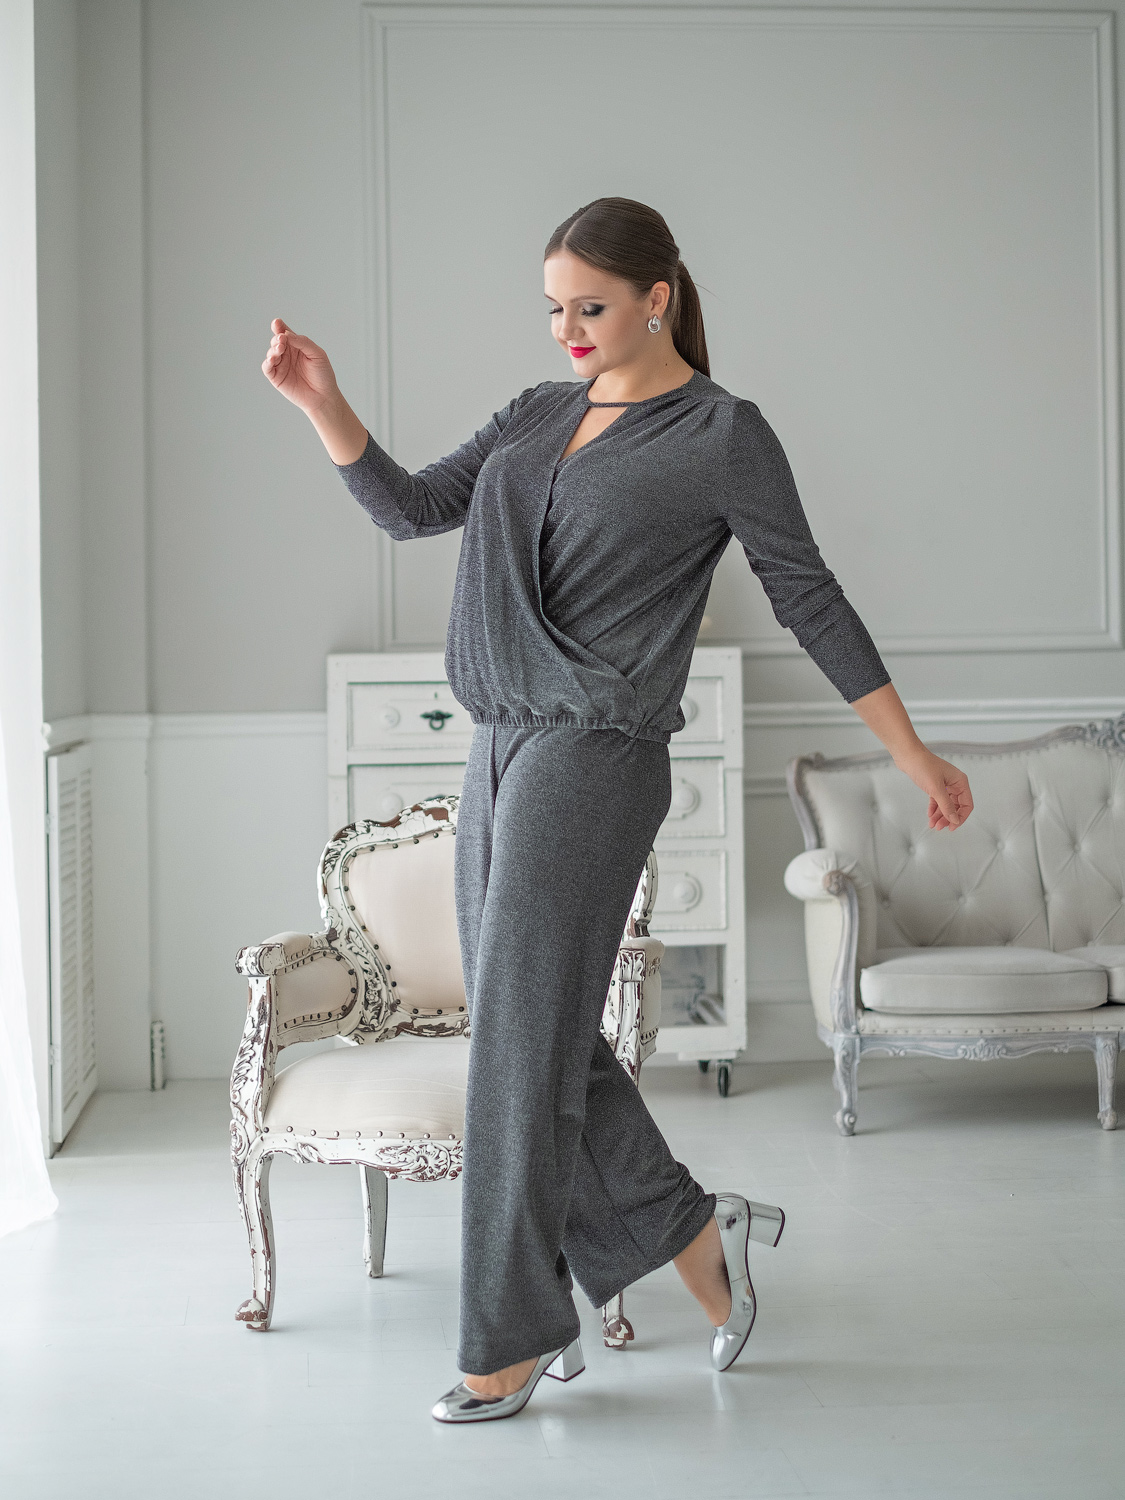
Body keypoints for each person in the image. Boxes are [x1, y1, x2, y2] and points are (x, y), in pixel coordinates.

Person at [262, 196, 974, 1424]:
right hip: (500, 746)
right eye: (553, 309)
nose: (567, 331)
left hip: (594, 753)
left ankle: (510, 1339)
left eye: (589, 307)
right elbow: (413, 508)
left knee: (515, 1047)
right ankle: (696, 1234)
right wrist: (323, 403)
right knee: (533, 1032)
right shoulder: (538, 413)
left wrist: (910, 752)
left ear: (658, 296)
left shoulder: (722, 434)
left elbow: (808, 595)